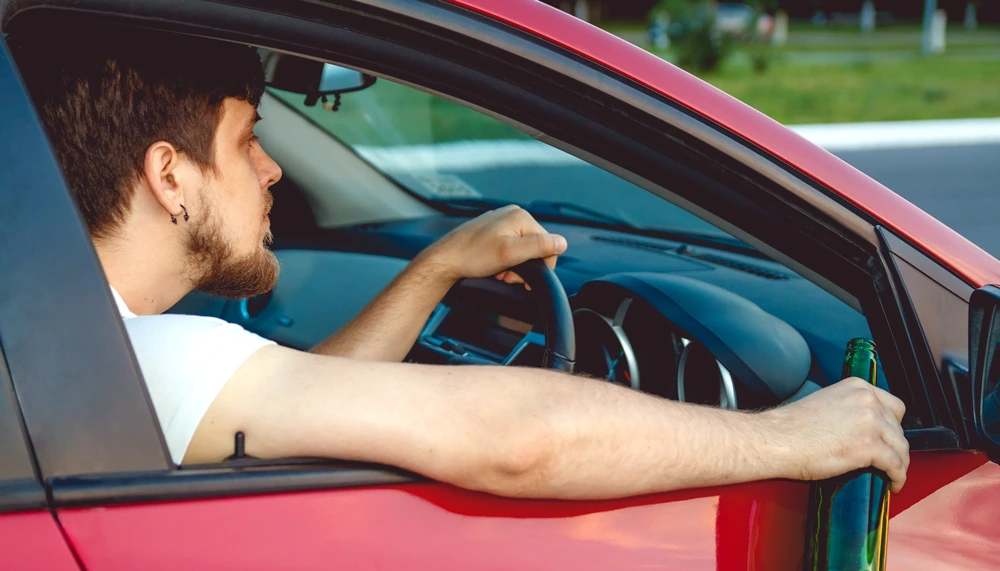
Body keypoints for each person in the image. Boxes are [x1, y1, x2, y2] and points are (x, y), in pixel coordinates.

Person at [12, 31, 910, 500]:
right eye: (248, 140)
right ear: (170, 176)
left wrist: (437, 268)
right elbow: (517, 442)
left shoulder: (85, 354)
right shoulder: (147, 361)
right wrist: (789, 440)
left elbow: (302, 392)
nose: (272, 169)